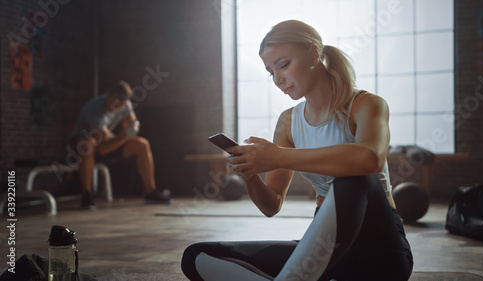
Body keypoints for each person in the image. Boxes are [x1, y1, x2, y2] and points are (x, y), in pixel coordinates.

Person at [181, 20, 413, 280]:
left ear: (314, 54)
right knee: (198, 257)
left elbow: (370, 159)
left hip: (381, 253)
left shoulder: (366, 104)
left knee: (354, 176)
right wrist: (250, 171)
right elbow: (271, 205)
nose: (278, 79)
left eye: (283, 65)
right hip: (325, 253)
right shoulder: (289, 121)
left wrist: (277, 155)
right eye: (271, 72)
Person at [69, 80, 170, 209]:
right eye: (115, 103)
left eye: (120, 106)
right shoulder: (95, 110)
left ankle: (151, 193)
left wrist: (133, 127)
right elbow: (103, 149)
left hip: (106, 142)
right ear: (107, 94)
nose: (117, 108)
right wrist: (126, 135)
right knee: (88, 143)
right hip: (81, 145)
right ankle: (86, 196)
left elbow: (131, 123)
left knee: (142, 144)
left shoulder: (125, 104)